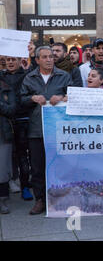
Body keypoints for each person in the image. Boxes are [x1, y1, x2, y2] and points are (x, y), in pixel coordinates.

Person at [20, 46, 72, 215]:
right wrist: (32, 98)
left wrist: (63, 98)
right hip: (37, 129)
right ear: (37, 60)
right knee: (37, 167)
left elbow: (75, 95)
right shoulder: (29, 78)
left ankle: (61, 197)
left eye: (51, 56)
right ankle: (40, 200)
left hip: (59, 129)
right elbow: (21, 99)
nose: (49, 59)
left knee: (61, 164)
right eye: (45, 57)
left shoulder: (64, 76)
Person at [1, 57, 33, 201]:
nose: (10, 62)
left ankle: (25, 186)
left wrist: (29, 62)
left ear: (20, 61)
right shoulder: (2, 75)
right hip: (6, 121)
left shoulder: (26, 74)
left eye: (14, 59)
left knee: (22, 155)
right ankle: (9, 182)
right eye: (8, 59)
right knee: (8, 155)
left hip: (22, 119)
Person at [0, 75, 17, 214]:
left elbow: (11, 110)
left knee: (2, 169)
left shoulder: (6, 89)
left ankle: (3, 199)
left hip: (3, 133)